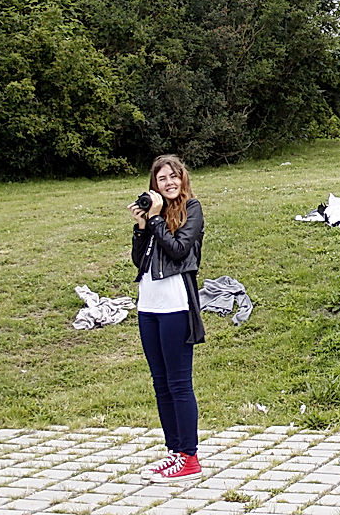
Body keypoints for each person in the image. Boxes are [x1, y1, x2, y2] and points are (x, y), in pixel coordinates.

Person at [129, 154, 206, 482]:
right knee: (160, 383)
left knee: (178, 383)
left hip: (175, 305)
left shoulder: (193, 210)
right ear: (155, 185)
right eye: (162, 179)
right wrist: (142, 227)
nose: (169, 182)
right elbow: (139, 260)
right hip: (148, 305)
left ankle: (190, 456)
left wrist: (158, 219)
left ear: (182, 178)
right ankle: (174, 451)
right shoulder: (153, 215)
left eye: (174, 176)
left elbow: (178, 250)